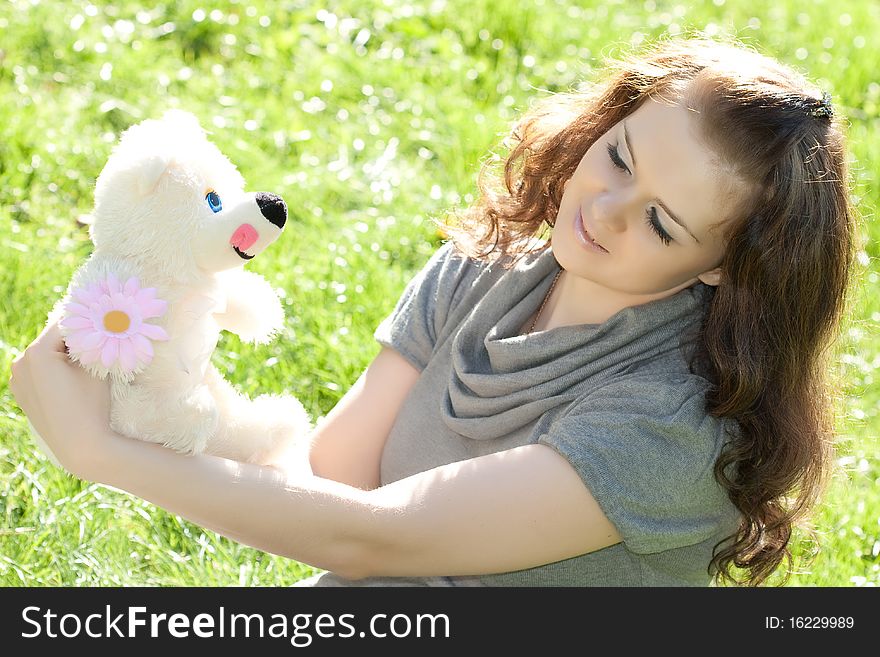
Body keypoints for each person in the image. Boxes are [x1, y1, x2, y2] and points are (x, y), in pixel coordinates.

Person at [10, 37, 856, 587]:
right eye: (619, 158)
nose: (604, 210)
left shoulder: (673, 420)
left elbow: (383, 539)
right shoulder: (486, 265)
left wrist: (101, 451)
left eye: (662, 222)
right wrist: (167, 382)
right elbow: (332, 481)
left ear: (722, 269)